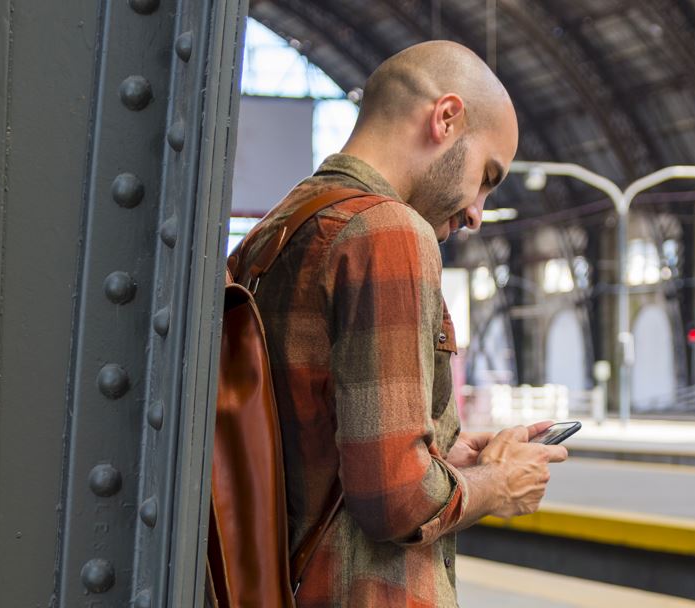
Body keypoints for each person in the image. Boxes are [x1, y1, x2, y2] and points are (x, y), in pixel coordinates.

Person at [243, 40, 568, 606]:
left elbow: (323, 445)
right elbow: (393, 499)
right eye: (487, 176)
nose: (476, 212)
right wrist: (497, 485)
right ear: (445, 118)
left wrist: (447, 452)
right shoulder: (389, 232)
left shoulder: (279, 228)